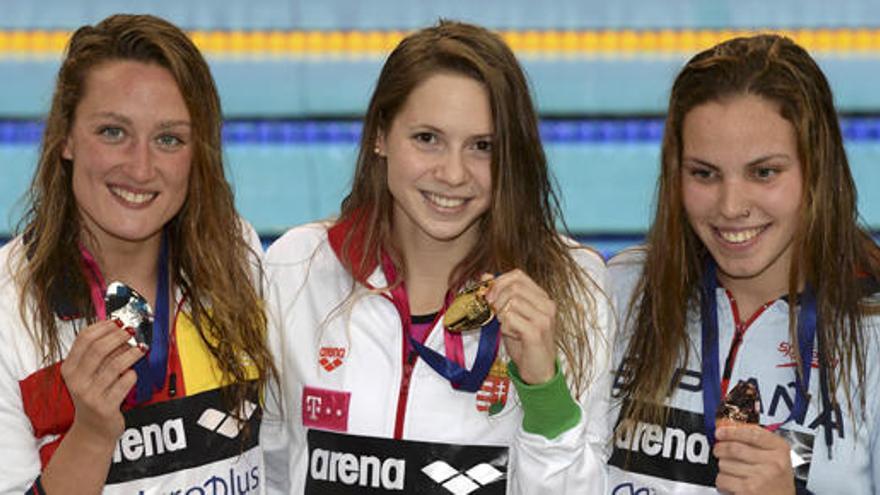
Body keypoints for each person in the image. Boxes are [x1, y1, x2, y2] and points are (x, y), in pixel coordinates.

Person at [261, 20, 613, 494]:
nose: (452, 173)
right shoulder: (296, 269)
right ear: (381, 136)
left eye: (482, 147)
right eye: (427, 138)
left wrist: (543, 389)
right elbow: (270, 469)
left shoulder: (571, 287)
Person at [0, 14, 276, 493]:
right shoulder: (8, 312)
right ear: (64, 137)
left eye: (168, 139)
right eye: (113, 132)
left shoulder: (236, 256)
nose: (141, 167)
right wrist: (90, 433)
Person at [607, 34, 880, 494]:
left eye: (764, 172)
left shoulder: (871, 327)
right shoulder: (622, 293)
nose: (731, 206)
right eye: (704, 173)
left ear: (817, 169)